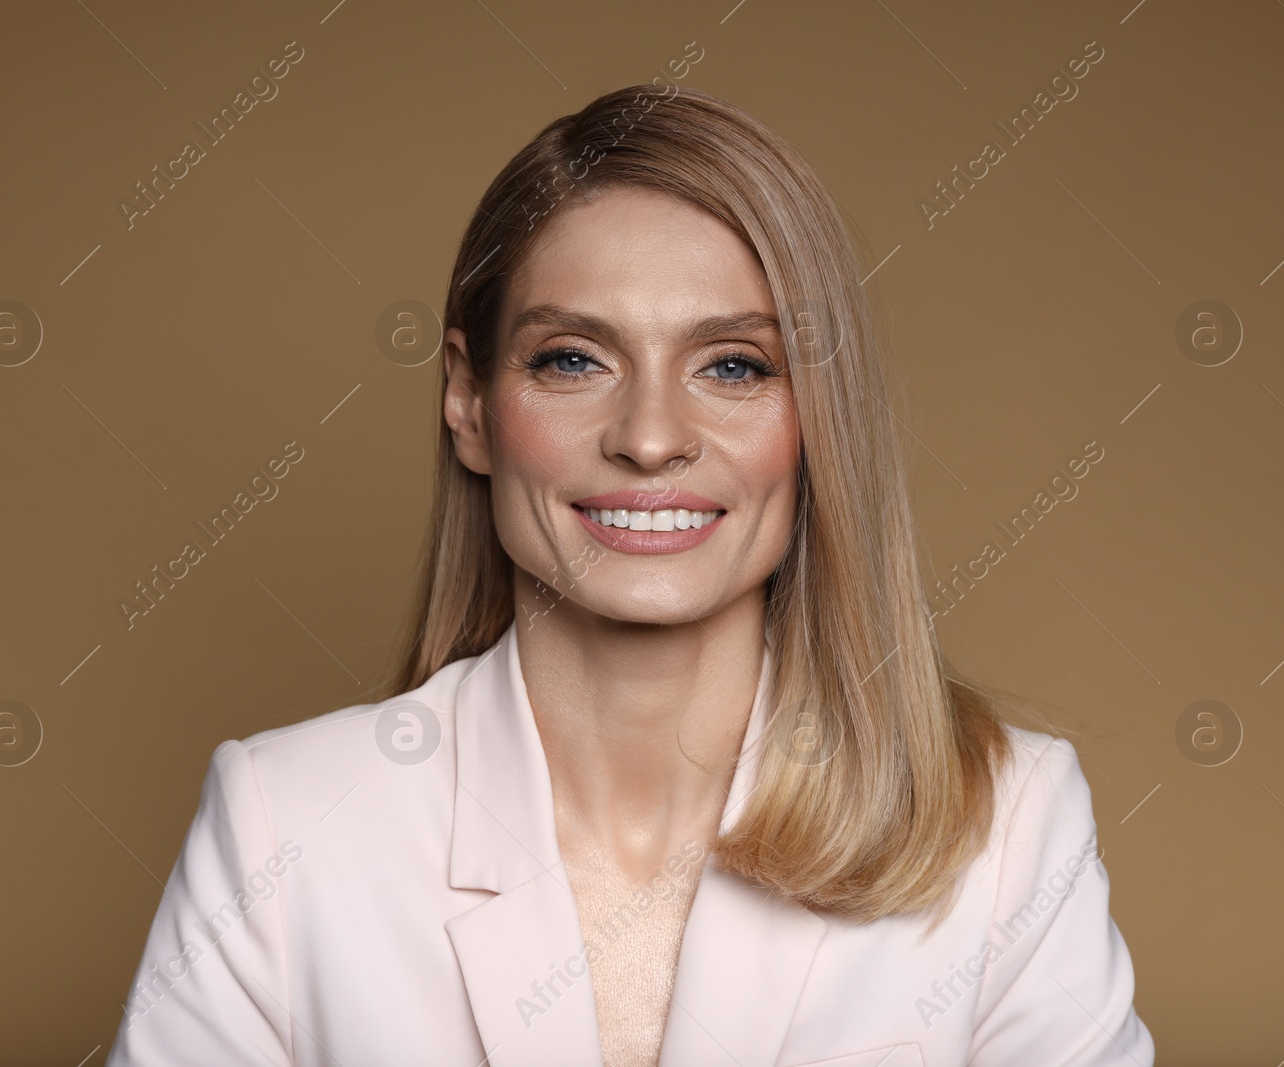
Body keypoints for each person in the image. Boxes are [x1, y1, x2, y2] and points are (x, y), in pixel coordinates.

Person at [107, 83, 1153, 1067]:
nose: (650, 439)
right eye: (572, 358)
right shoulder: (283, 825)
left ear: (817, 417)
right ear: (467, 401)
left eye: (733, 365)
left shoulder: (1007, 823)